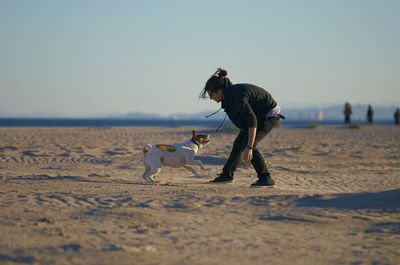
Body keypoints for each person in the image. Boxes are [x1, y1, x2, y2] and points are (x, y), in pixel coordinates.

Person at [199, 68, 283, 187]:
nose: (211, 98)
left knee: (249, 145)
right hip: (258, 115)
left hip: (269, 115)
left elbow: (252, 121)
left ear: (219, 91)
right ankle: (227, 175)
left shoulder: (238, 97)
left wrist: (249, 146)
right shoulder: (230, 95)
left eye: (211, 94)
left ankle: (266, 179)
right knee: (239, 143)